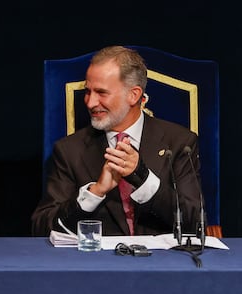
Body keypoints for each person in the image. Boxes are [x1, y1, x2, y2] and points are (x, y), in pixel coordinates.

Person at [32, 45, 203, 237]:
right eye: (88, 92)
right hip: (99, 263)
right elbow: (42, 228)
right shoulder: (69, 150)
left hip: (162, 262)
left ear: (134, 95)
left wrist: (143, 178)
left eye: (101, 92)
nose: (90, 102)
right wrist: (95, 192)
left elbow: (195, 222)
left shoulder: (179, 143)